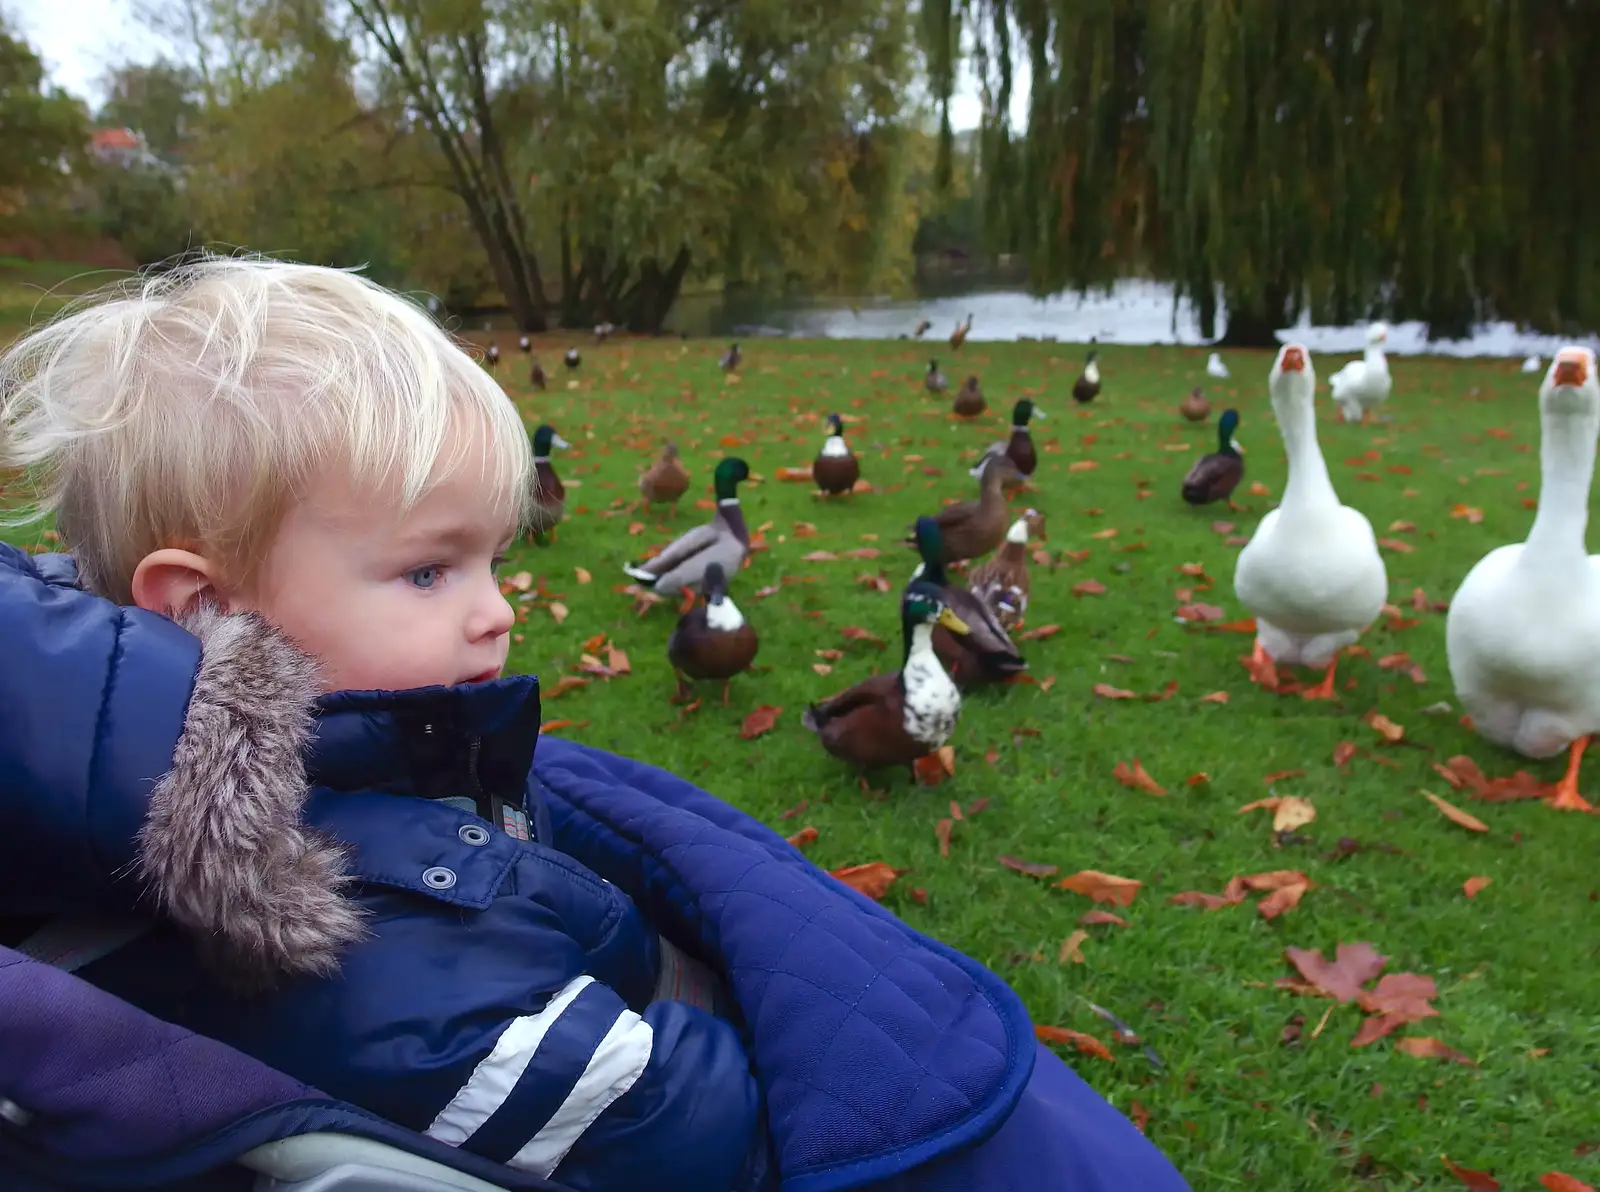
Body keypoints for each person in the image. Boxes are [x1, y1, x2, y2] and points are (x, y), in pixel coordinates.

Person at [0, 254, 1191, 1192]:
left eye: (493, 559)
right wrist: (714, 1004)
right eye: (429, 573)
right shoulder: (330, 932)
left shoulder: (254, 798)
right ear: (205, 608)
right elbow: (691, 1132)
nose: (498, 611)